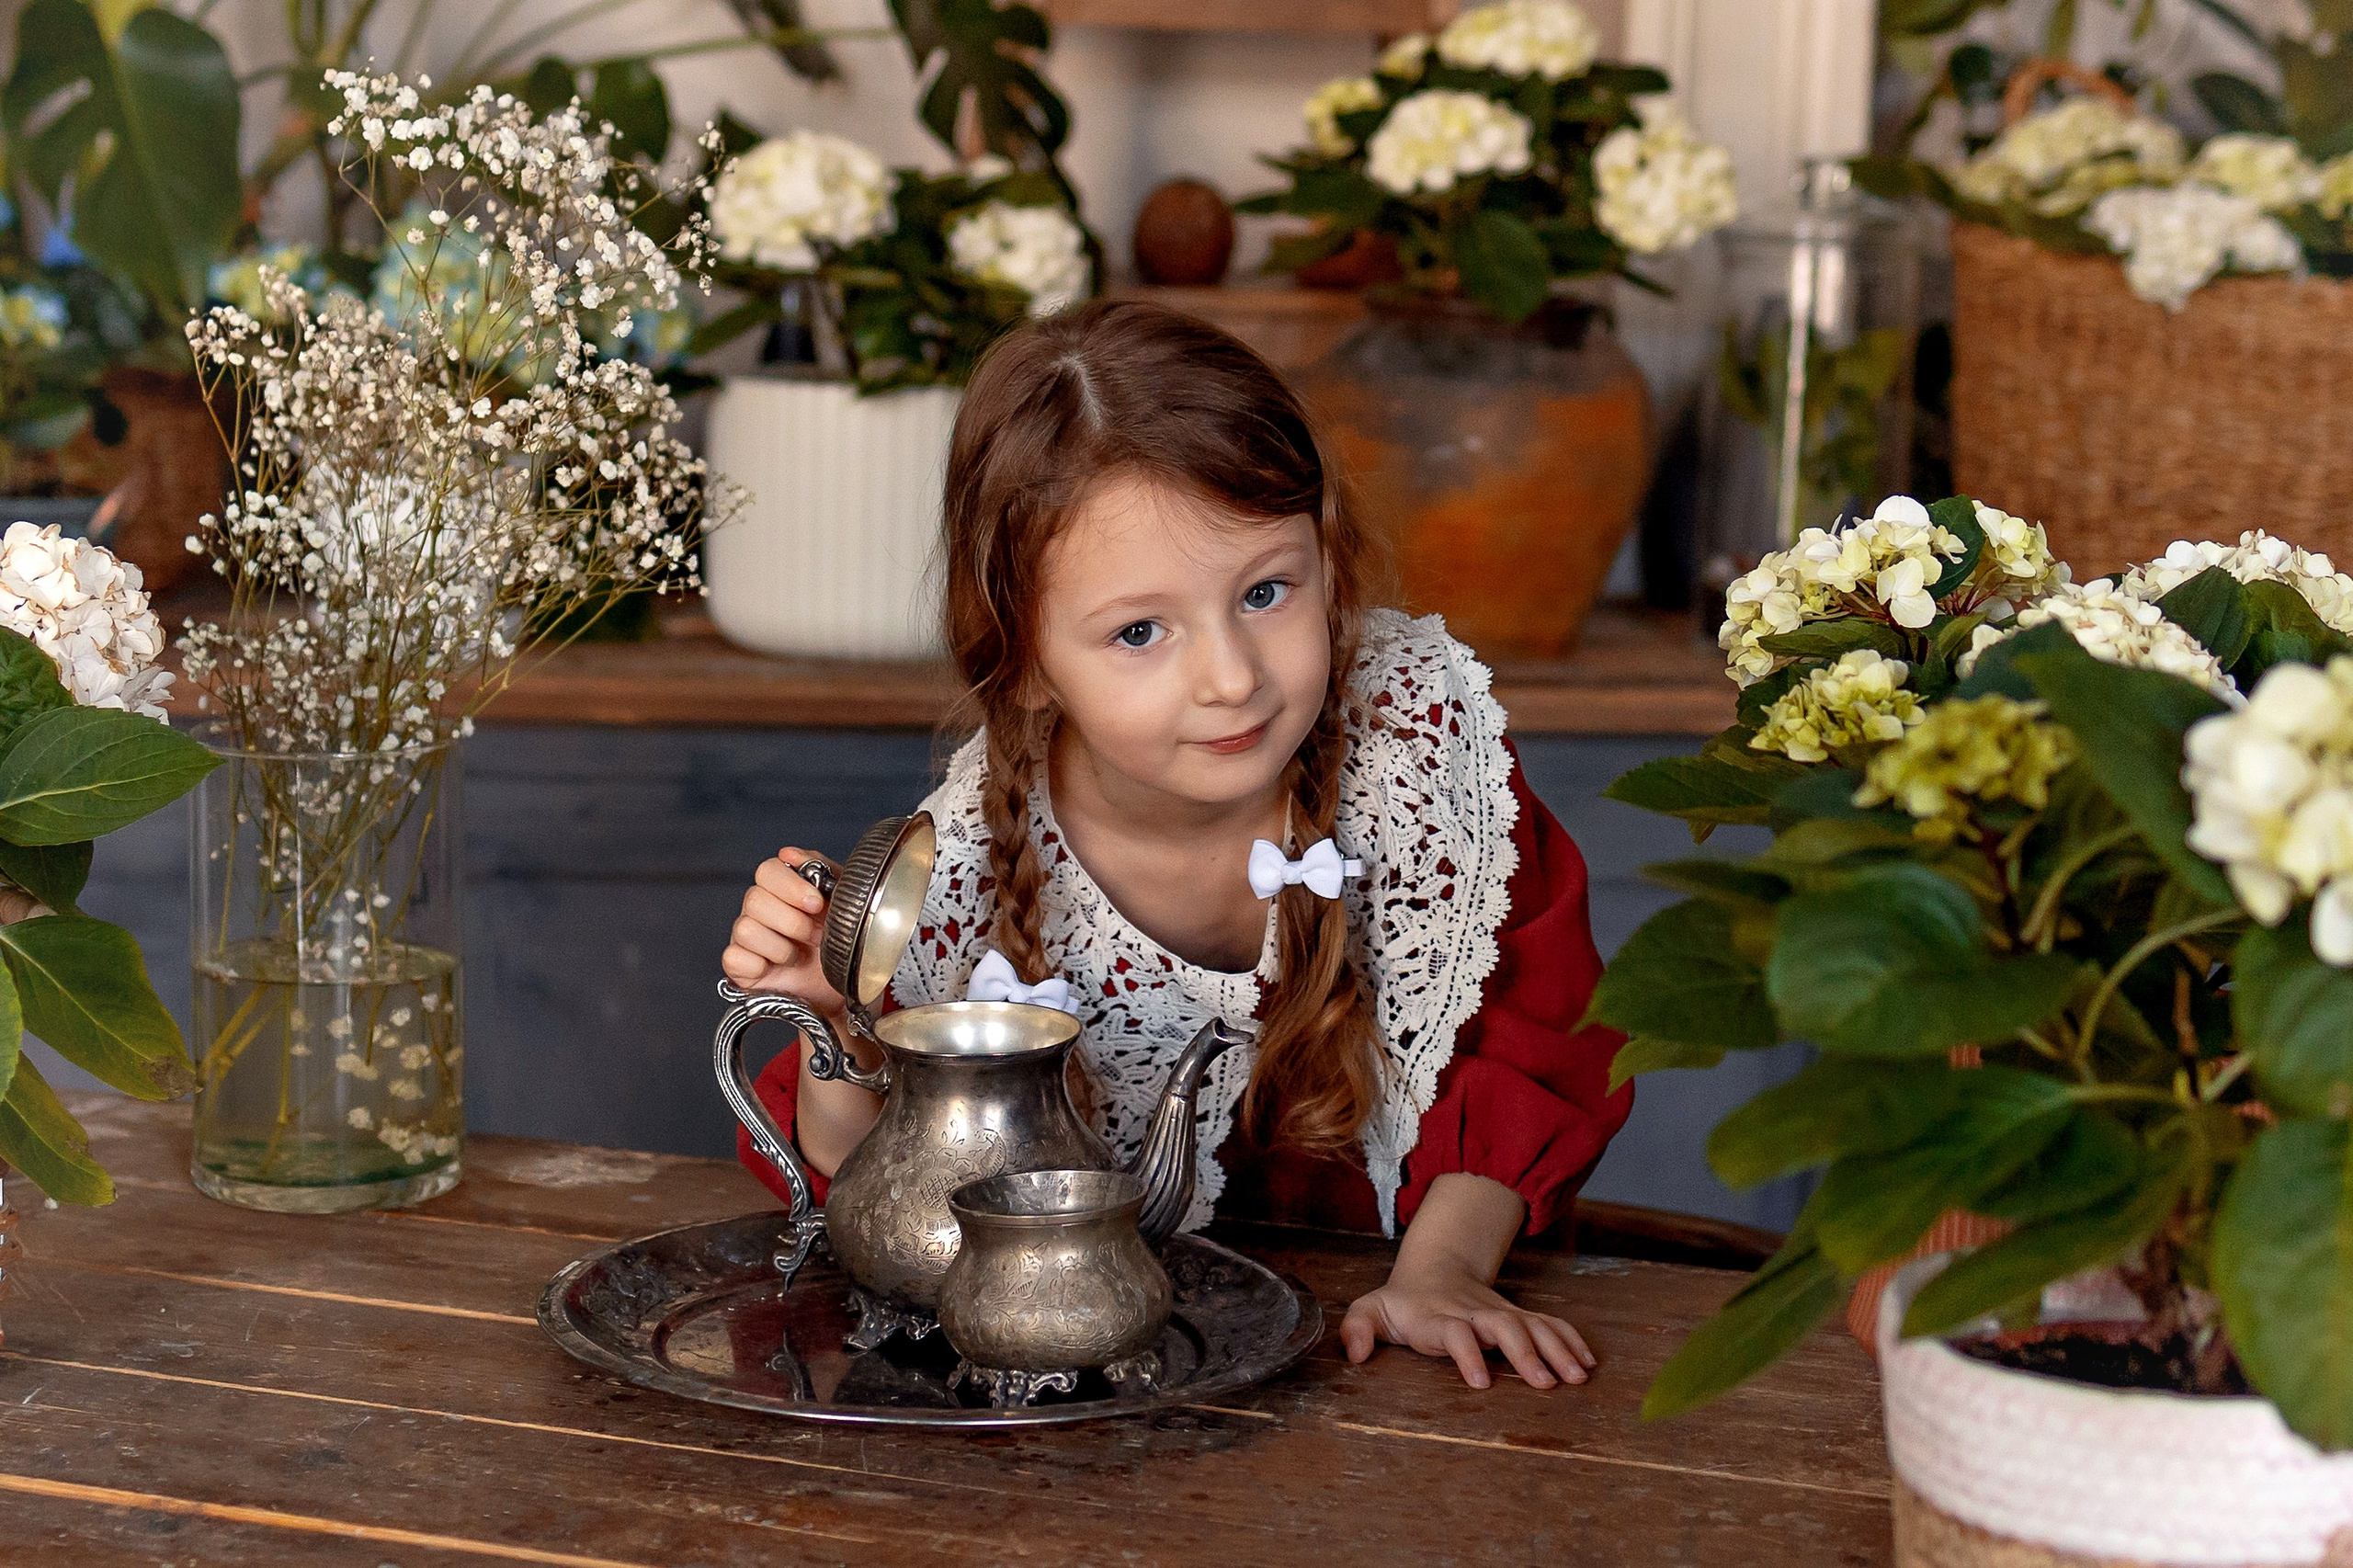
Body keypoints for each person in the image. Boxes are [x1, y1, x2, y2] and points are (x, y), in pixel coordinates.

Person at [721, 300, 1631, 1391]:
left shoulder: (1419, 750)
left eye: (1265, 590)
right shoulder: (962, 871)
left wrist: (1438, 1274)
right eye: (1140, 631)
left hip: (1401, 1365)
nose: (1233, 676)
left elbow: (1535, 1044)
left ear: (1328, 561)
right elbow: (884, 1187)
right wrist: (834, 1028)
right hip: (1115, 1404)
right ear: (1023, 659)